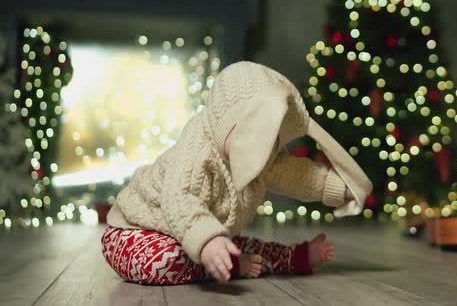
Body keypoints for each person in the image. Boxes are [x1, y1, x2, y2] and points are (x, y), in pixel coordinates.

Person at [101, 61, 372, 285]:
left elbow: (296, 175)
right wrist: (208, 243)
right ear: (226, 119)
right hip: (134, 232)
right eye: (253, 130)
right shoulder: (197, 149)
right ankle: (224, 262)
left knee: (236, 245)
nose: (263, 145)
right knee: (164, 260)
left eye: (273, 138)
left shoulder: (263, 156)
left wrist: (339, 188)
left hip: (200, 233)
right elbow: (178, 197)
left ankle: (295, 257)